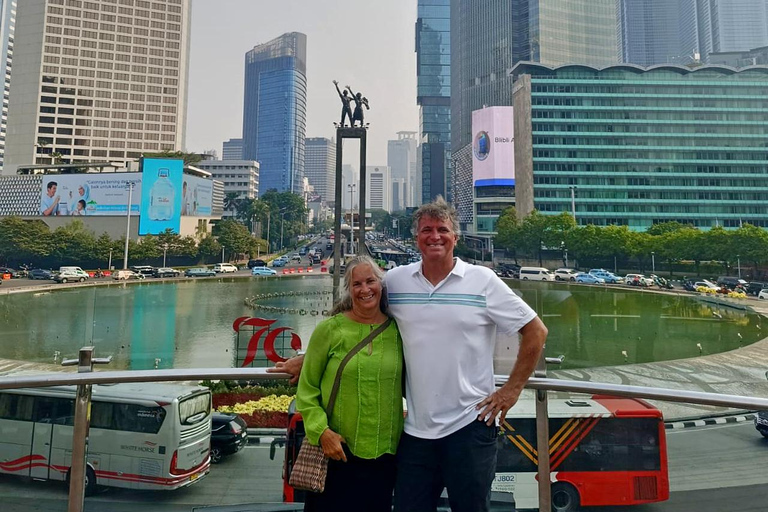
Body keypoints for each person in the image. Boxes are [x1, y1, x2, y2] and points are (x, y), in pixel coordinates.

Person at [272, 197, 548, 512]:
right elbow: (358, 318)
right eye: (426, 230)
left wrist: (511, 390)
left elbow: (536, 331)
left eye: (443, 229)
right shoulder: (397, 281)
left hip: (470, 428)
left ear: (455, 237)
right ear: (416, 238)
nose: (435, 236)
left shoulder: (482, 281)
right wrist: (311, 358)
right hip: (416, 434)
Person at [296, 255, 403, 512]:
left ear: (381, 284)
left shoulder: (398, 331)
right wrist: (322, 432)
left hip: (385, 456)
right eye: (357, 284)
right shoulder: (330, 330)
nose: (365, 290)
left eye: (370, 281)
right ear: (349, 290)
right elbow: (307, 388)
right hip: (336, 452)